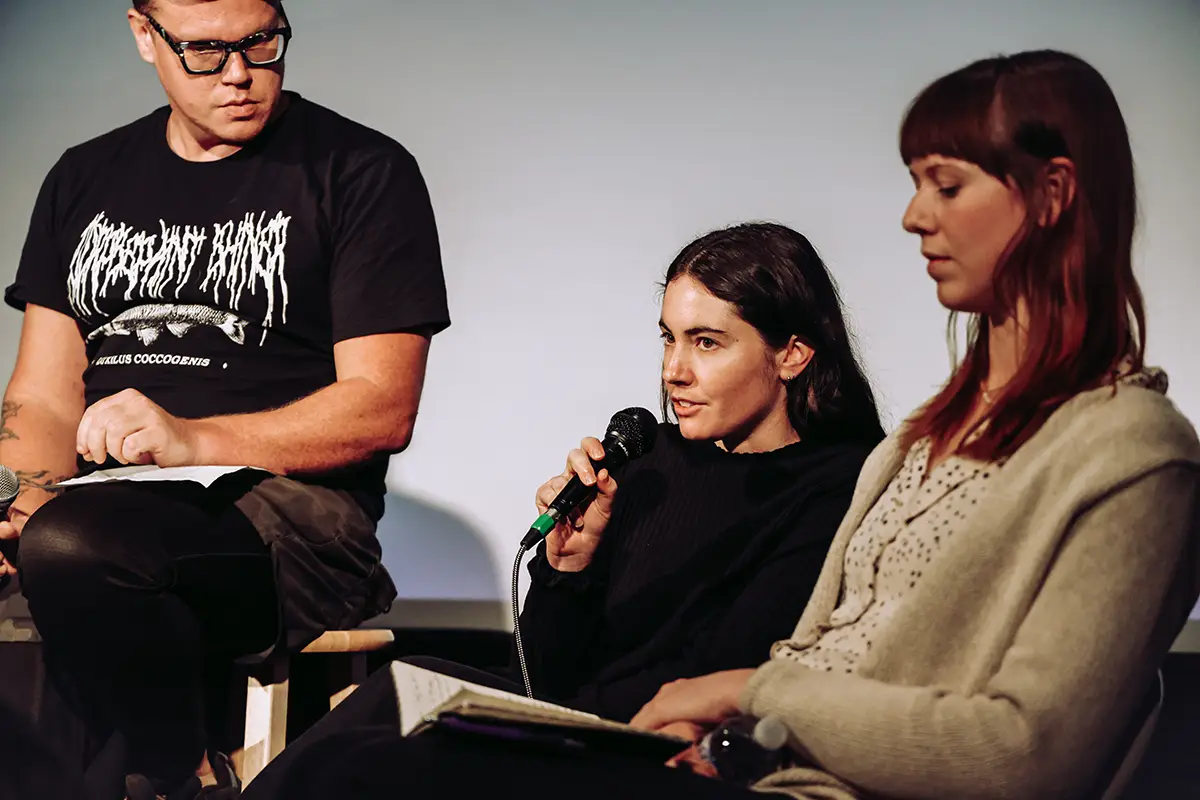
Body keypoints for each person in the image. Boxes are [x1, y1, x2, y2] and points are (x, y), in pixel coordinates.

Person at [246, 48, 1197, 800]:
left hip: (783, 778)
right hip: (746, 763)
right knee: (382, 720)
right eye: (916, 184)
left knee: (375, 770)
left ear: (1054, 195)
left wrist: (743, 699)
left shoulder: (1132, 455)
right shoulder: (921, 444)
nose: (912, 216)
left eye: (945, 185)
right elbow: (815, 653)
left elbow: (1023, 752)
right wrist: (577, 580)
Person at [238, 221, 883, 797]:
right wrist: (568, 570)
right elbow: (545, 670)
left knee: (372, 764)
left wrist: (541, 716)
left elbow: (721, 671)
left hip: (657, 741)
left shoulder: (839, 485)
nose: (674, 372)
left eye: (707, 343)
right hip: (570, 711)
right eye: (668, 339)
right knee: (400, 684)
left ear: (792, 354)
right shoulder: (649, 457)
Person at [0, 0, 448, 797]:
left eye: (261, 42)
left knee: (75, 546)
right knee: (60, 537)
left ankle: (181, 774)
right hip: (99, 509)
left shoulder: (360, 169)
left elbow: (382, 409)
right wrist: (18, 500)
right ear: (145, 35)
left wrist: (192, 440)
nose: (240, 74)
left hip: (291, 514)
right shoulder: (83, 176)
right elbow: (41, 399)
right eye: (205, 51)